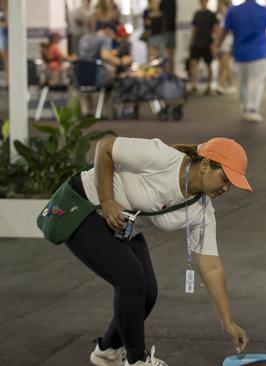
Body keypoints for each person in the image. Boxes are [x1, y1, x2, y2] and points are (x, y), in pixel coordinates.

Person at [65, 136, 251, 366]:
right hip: (85, 206)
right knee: (131, 280)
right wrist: (107, 200)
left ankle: (107, 350)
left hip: (122, 224)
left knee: (148, 293)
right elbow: (105, 148)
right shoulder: (161, 157)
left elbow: (211, 267)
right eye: (224, 178)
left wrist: (227, 322)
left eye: (231, 183)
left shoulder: (202, 211)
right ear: (205, 166)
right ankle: (137, 360)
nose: (226, 187)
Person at [216, 0, 266, 123]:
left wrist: (217, 45)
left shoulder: (233, 11)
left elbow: (224, 31)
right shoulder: (263, 10)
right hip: (259, 53)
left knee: (241, 83)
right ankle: (252, 109)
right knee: (257, 82)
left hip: (240, 53)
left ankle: (244, 108)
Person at [189, 0, 219, 95]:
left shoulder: (211, 14)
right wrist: (191, 40)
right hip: (197, 42)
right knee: (193, 63)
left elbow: (216, 29)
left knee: (208, 65)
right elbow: (195, 29)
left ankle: (208, 87)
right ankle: (193, 86)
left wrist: (214, 43)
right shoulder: (197, 14)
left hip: (207, 43)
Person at [216, 0, 235, 94]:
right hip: (222, 39)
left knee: (225, 63)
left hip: (227, 40)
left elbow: (227, 28)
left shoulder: (230, 11)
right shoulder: (220, 11)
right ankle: (230, 84)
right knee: (224, 63)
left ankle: (222, 84)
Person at [160, 0, 177, 73]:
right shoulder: (163, 2)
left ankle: (171, 72)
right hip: (166, 30)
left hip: (171, 30)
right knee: (166, 53)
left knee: (171, 54)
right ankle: (166, 72)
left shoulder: (173, 1)